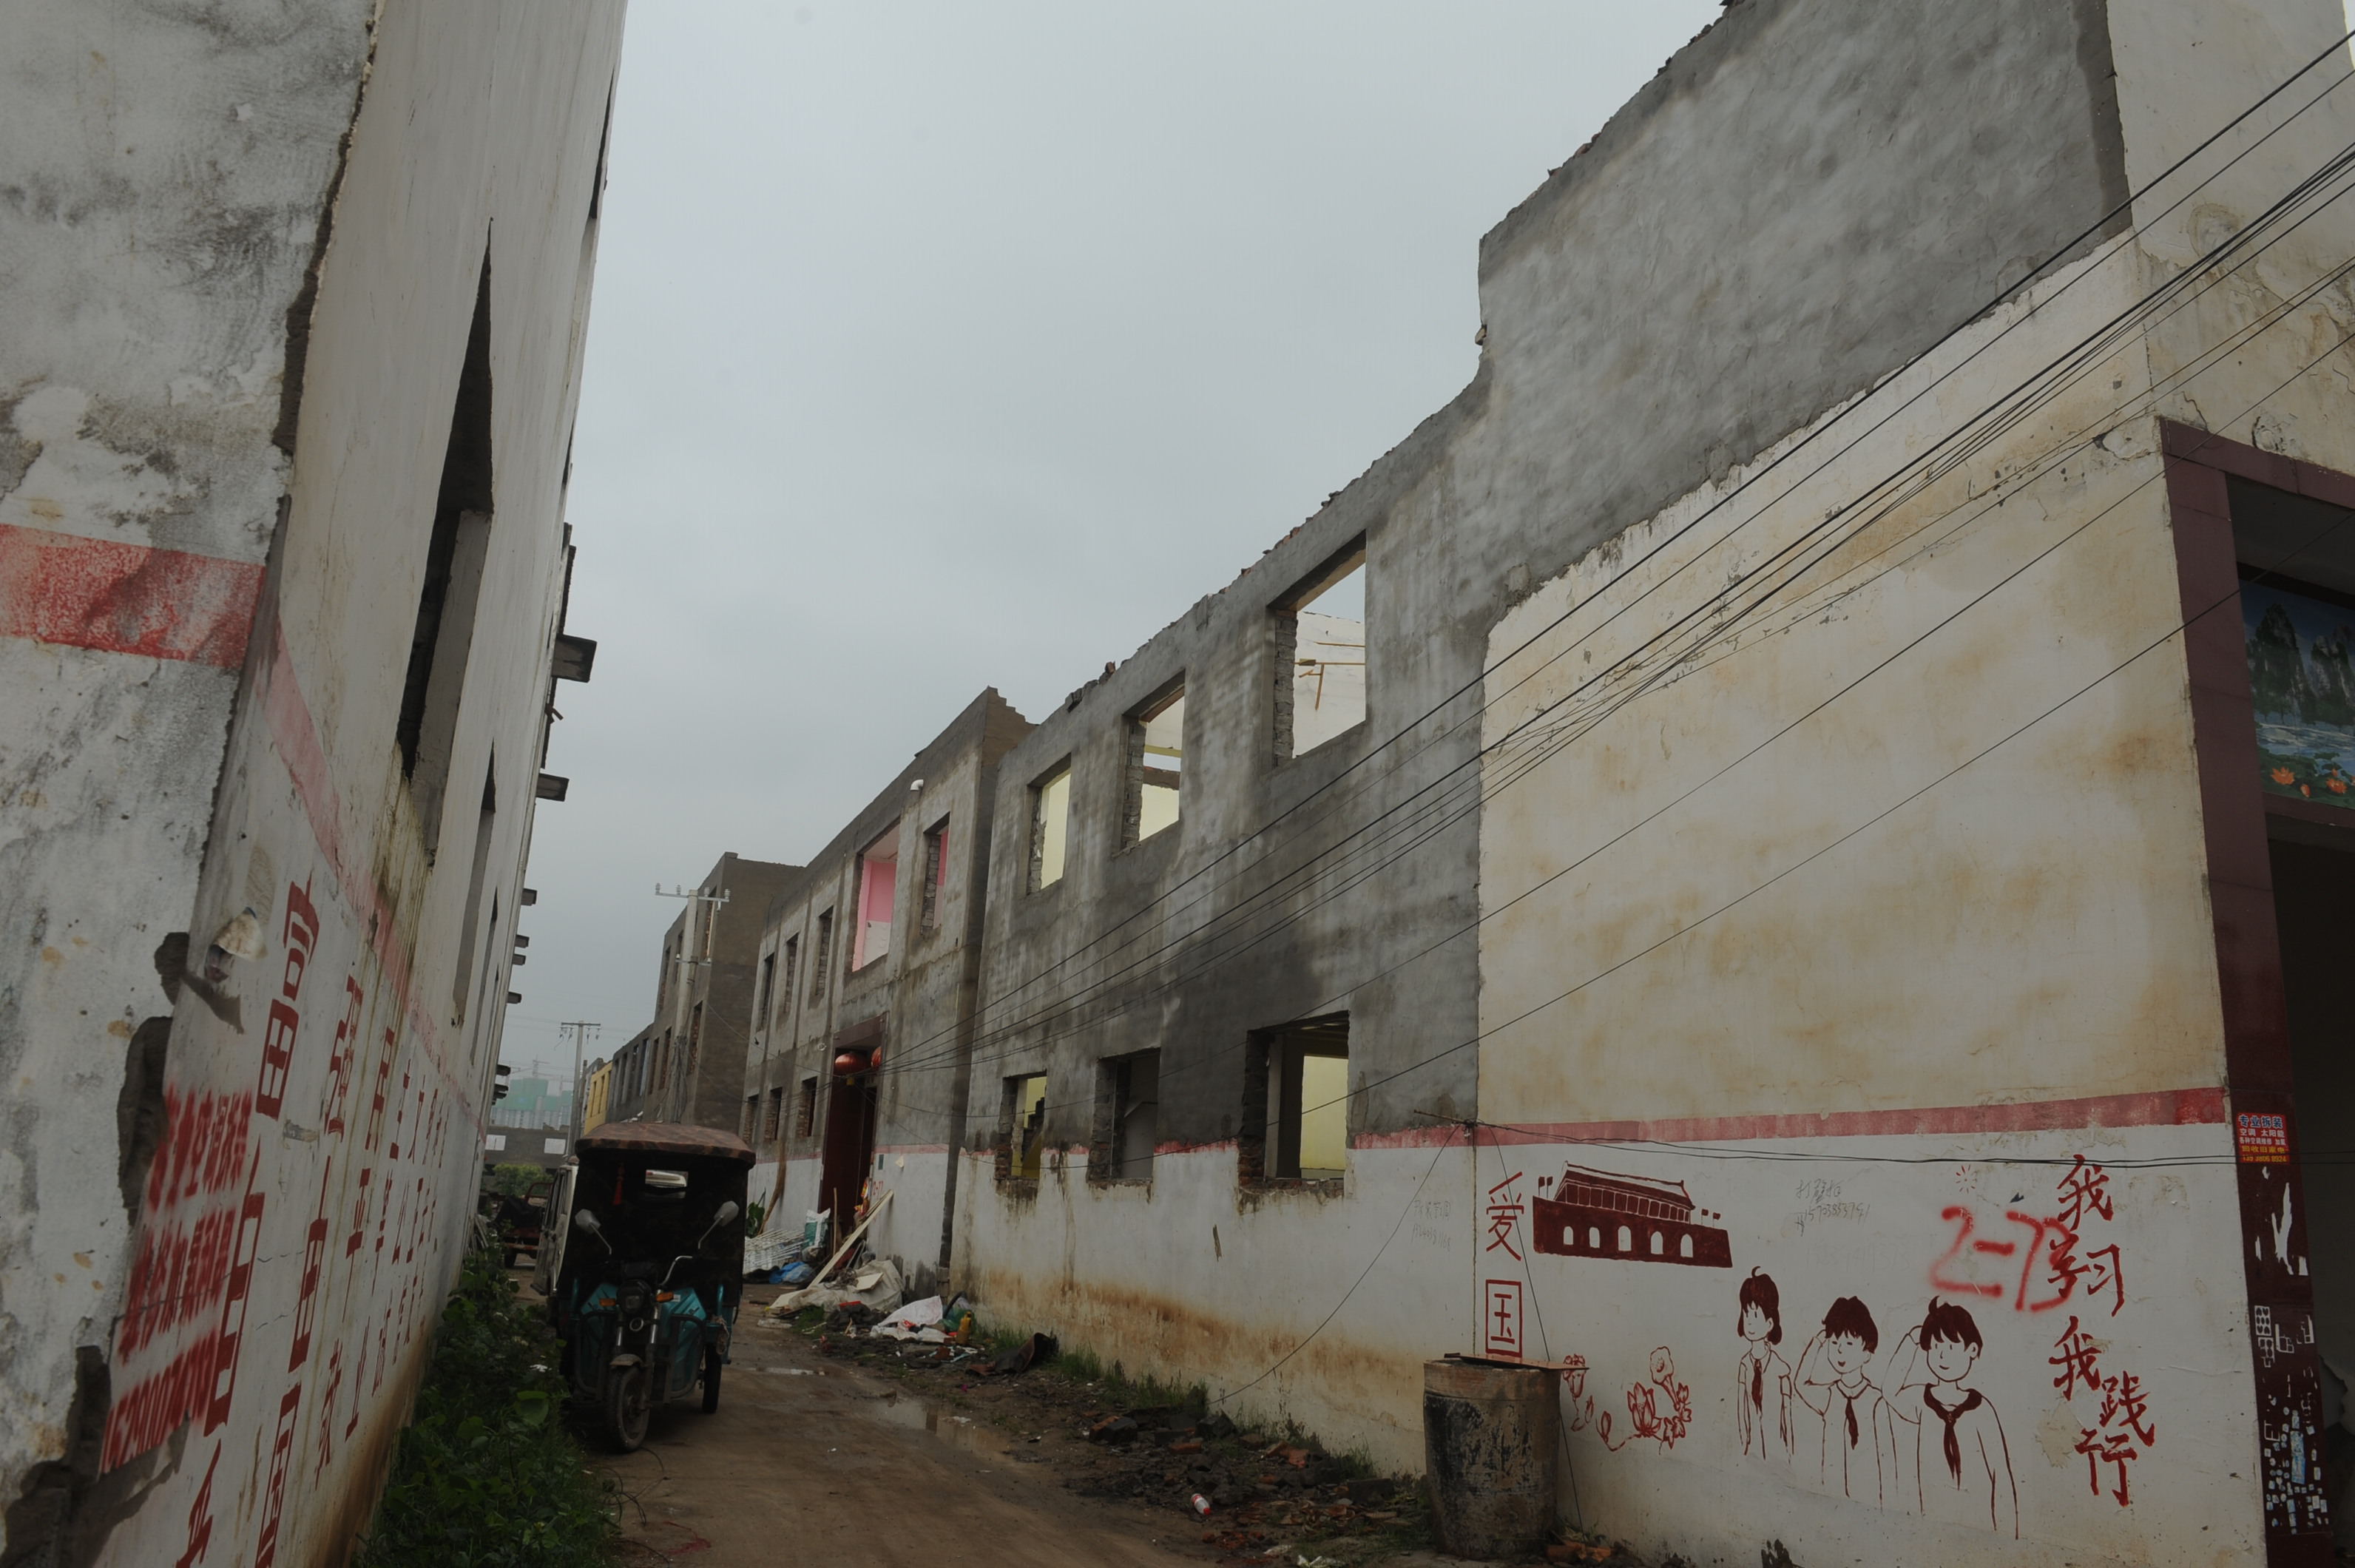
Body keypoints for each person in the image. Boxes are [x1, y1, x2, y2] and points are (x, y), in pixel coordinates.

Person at [1884, 1298, 2018, 1535]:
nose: (1942, 1356)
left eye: (1952, 1347)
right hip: (1932, 1518)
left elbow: (2000, 1471)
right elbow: (1890, 1391)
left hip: (1980, 1523)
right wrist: (1912, 1339)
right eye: (1936, 1347)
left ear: (1972, 1350)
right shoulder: (1924, 1401)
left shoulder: (1981, 1409)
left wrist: (2007, 1532)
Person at [1796, 1295, 1888, 1503]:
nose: (1839, 1350)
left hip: (1869, 1495)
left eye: (1849, 1343)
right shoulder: (1830, 1396)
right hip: (1832, 1493)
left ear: (1867, 1353)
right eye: (1835, 1342)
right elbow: (1801, 1383)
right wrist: (1818, 1341)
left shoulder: (1876, 1400)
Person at [1735, 1269, 1795, 1466]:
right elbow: (1742, 1411)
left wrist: (1790, 1455)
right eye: (1746, 1314)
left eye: (1755, 1315)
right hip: (1751, 1455)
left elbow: (1787, 1419)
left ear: (1770, 1323)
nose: (1750, 1322)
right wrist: (1744, 1446)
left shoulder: (1781, 1371)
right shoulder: (1745, 1366)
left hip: (1778, 1455)